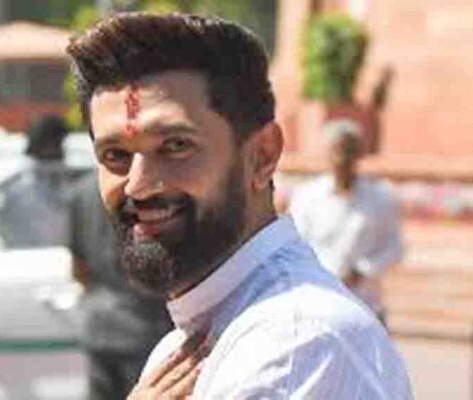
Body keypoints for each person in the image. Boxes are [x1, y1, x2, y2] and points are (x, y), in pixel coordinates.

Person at [67, 12, 413, 399]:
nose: (138, 185)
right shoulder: (189, 343)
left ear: (262, 156)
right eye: (115, 155)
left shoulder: (295, 344)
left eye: (176, 146)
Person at [68, 171, 172, 400]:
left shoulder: (82, 190)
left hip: (99, 324)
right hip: (145, 325)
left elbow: (78, 267)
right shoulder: (147, 186)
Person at [290, 119, 403, 320]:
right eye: (336, 151)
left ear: (359, 154)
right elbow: (295, 244)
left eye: (349, 151)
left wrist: (362, 270)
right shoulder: (307, 197)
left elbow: (394, 247)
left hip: (365, 304)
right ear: (326, 154)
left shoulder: (380, 197)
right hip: (317, 304)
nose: (342, 158)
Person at [0, 114, 72, 250]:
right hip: (16, 258)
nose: (58, 149)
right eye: (54, 143)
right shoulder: (8, 176)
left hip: (57, 257)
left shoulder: (62, 176)